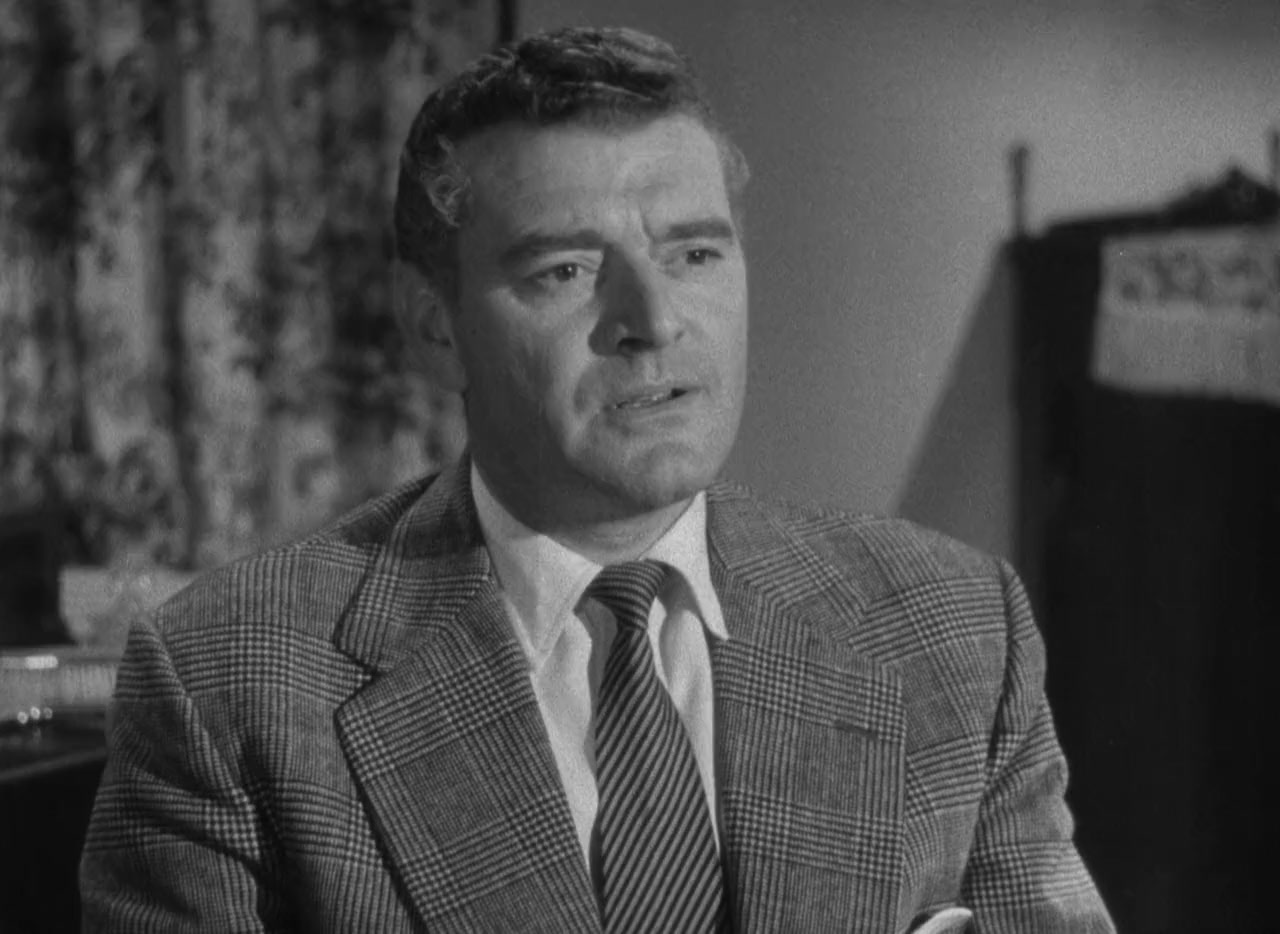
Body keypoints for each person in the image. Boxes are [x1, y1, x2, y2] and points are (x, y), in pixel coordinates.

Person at [80, 25, 1115, 933]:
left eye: (694, 255)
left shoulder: (952, 626)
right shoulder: (226, 686)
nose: (652, 321)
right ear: (434, 326)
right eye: (566, 271)